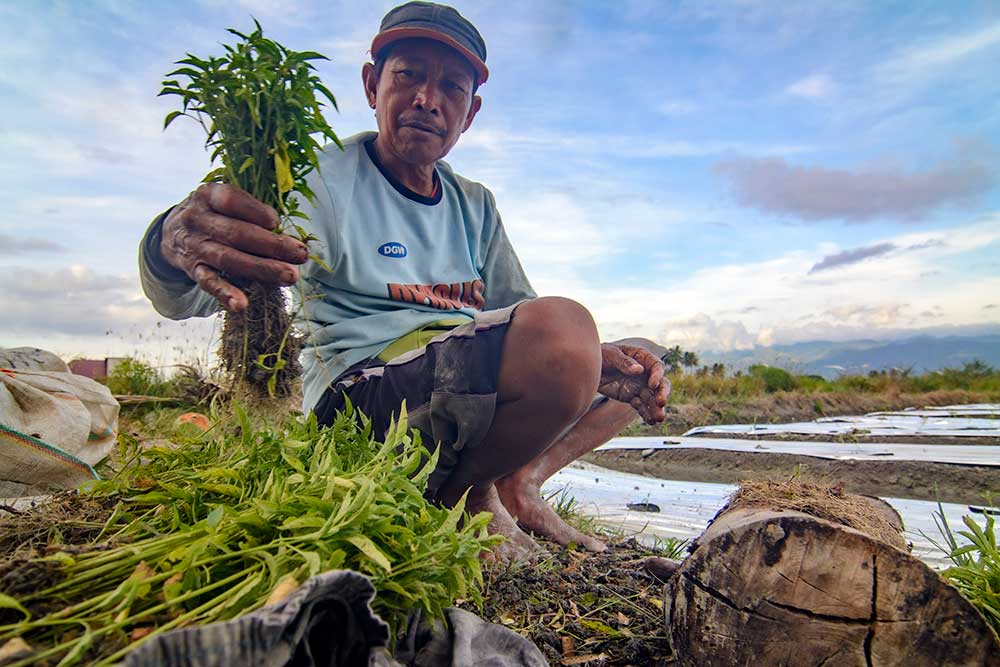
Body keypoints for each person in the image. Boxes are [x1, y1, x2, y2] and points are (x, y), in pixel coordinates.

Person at [139, 1, 669, 560]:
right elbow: (192, 293)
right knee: (566, 333)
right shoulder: (317, 180)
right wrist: (169, 244)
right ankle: (463, 494)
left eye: (452, 89)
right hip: (363, 399)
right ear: (372, 85)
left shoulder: (475, 204)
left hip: (464, 373)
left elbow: (522, 315)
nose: (426, 99)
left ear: (470, 112)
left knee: (639, 358)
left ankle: (519, 482)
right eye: (408, 75)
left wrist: (597, 357)